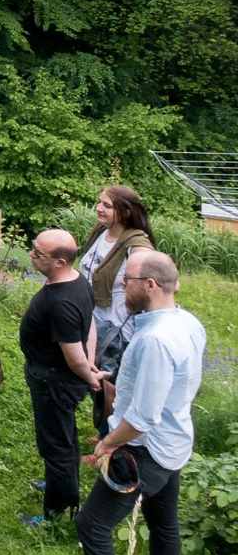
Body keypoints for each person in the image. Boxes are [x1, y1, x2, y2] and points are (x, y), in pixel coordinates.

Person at [70, 251, 204, 555]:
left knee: (92, 525)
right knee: (164, 524)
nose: (121, 285)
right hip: (173, 442)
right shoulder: (186, 322)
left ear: (150, 285)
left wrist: (107, 444)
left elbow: (142, 418)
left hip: (142, 450)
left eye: (126, 279)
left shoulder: (155, 341)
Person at [19, 229, 104, 524]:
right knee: (64, 437)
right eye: (34, 248)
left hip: (54, 381)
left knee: (56, 445)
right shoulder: (78, 281)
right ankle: (58, 483)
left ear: (60, 262)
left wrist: (88, 372)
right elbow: (90, 324)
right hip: (55, 376)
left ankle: (57, 514)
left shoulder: (62, 301)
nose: (31, 254)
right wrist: (90, 362)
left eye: (38, 252)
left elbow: (73, 355)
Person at [77, 185, 157, 434]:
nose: (99, 208)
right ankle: (107, 432)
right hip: (94, 318)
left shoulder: (137, 245)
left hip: (117, 327)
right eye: (99, 202)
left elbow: (156, 281)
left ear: (125, 212)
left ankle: (113, 440)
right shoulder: (102, 232)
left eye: (107, 205)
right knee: (97, 382)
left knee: (111, 386)